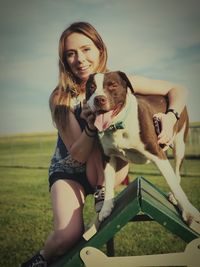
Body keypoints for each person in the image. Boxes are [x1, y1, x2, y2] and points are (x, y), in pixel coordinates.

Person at [21, 21, 188, 266]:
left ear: (100, 49)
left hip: (107, 167)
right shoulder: (61, 97)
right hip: (71, 170)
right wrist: (91, 126)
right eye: (71, 53)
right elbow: (77, 155)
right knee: (67, 235)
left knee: (113, 150)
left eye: (86, 49)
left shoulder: (117, 81)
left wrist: (170, 116)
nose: (80, 58)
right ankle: (40, 260)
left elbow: (177, 89)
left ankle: (104, 193)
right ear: (64, 60)